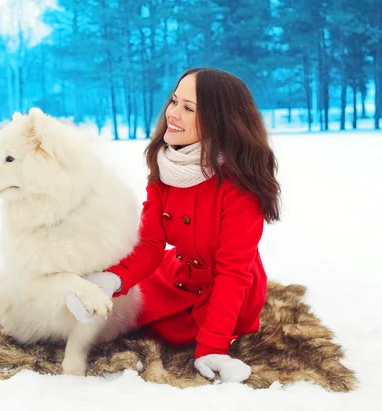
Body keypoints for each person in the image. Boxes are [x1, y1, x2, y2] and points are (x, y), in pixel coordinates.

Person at [65, 67, 281, 383]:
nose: (173, 114)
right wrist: (113, 281)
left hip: (226, 288)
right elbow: (151, 245)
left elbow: (233, 272)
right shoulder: (167, 166)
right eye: (174, 101)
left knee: (171, 332)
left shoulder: (240, 186)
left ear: (217, 121)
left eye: (188, 108)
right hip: (177, 273)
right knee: (124, 303)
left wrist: (212, 346)